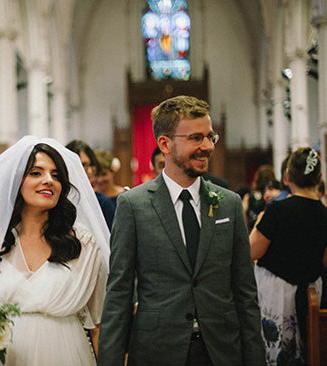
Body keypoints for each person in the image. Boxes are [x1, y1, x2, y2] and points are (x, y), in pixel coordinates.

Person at [98, 95, 264, 366]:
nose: (207, 146)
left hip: (221, 351)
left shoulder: (229, 204)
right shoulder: (133, 205)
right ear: (165, 143)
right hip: (158, 351)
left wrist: (255, 359)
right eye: (196, 138)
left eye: (210, 137)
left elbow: (245, 291)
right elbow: (119, 293)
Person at [0, 136, 110, 365]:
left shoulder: (83, 244)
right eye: (36, 173)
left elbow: (99, 324)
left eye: (56, 175)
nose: (48, 180)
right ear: (16, 182)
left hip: (65, 354)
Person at [250, 147, 327, 364]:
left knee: (275, 351)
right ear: (319, 177)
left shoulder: (276, 210)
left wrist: (259, 222)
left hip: (278, 293)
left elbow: (253, 251)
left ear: (286, 177)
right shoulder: (325, 214)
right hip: (312, 290)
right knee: (309, 350)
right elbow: (324, 260)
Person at [66, 139, 116, 229]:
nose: (89, 171)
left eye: (91, 165)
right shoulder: (59, 202)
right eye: (83, 165)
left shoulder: (102, 202)